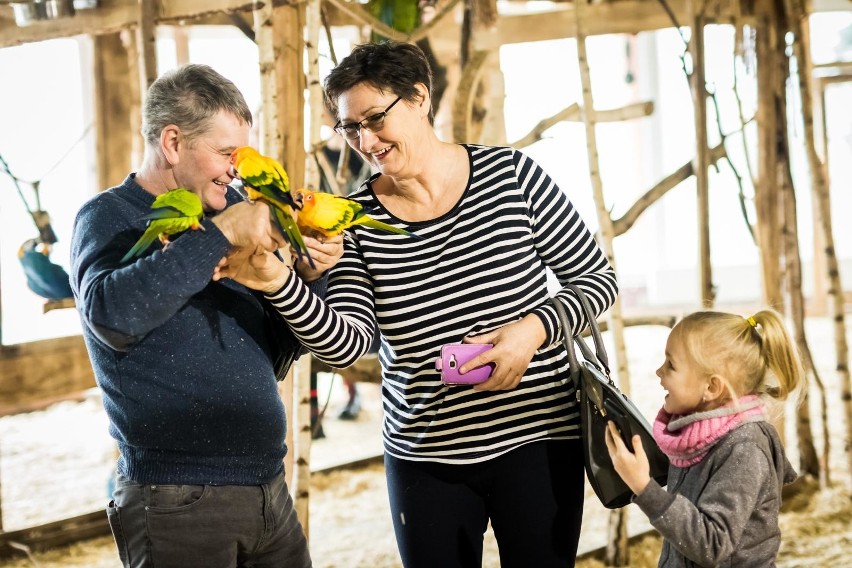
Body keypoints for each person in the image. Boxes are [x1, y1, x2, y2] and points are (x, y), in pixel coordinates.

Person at [214, 41, 618, 567]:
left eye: (375, 119)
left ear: (420, 97)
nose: (365, 140)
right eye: (350, 127)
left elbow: (596, 279)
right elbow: (347, 344)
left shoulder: (514, 177)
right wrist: (277, 281)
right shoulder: (353, 217)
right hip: (426, 455)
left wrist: (533, 330)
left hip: (540, 437)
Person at [70, 63, 342, 568]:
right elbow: (111, 317)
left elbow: (279, 352)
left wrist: (307, 276)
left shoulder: (232, 208)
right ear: (172, 143)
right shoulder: (108, 217)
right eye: (225, 153)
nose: (237, 169)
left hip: (269, 488)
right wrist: (220, 235)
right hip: (176, 498)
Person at [605, 309, 802, 567]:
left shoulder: (744, 449)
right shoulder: (696, 434)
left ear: (711, 387)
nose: (658, 372)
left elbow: (713, 544)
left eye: (671, 365)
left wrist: (644, 487)